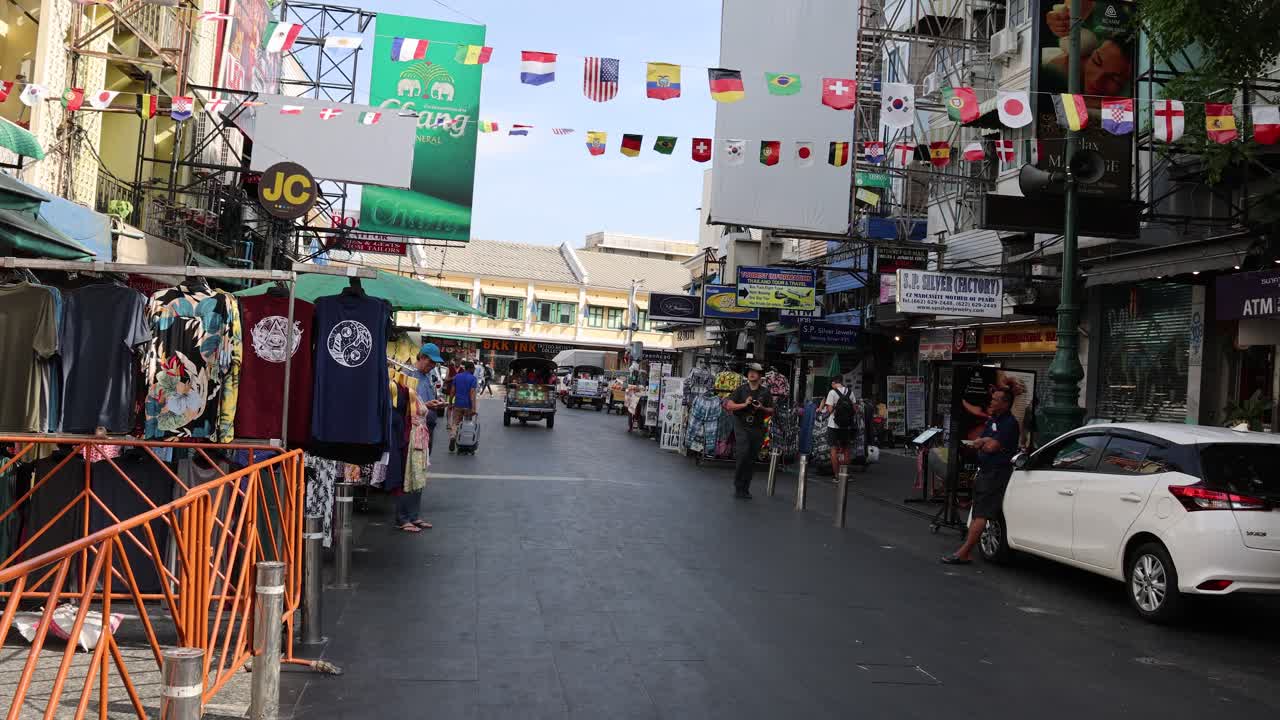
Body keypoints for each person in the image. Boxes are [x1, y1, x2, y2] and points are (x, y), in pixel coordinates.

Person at [942, 387, 1021, 565]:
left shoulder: (1009, 423)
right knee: (978, 511)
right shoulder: (993, 420)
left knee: (982, 513)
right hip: (984, 470)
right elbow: (982, 442)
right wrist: (985, 442)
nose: (991, 402)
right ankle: (967, 551)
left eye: (996, 399)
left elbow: (991, 446)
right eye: (992, 399)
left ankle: (964, 551)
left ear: (1005, 403)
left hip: (995, 473)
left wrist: (985, 443)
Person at [723, 363, 774, 499]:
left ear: (760, 375)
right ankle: (738, 486)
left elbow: (772, 410)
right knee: (743, 453)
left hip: (757, 427)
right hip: (742, 425)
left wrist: (762, 408)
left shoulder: (765, 392)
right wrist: (744, 404)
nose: (752, 374)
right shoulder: (741, 390)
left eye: (755, 372)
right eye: (750, 371)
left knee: (751, 458)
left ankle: (745, 487)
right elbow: (728, 405)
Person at [410, 343, 450, 457]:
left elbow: (429, 395)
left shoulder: (428, 375)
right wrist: (425, 405)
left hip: (428, 426)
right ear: (422, 357)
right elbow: (406, 403)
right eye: (431, 361)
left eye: (435, 363)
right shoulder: (408, 373)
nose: (433, 365)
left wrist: (438, 401)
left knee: (424, 460)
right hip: (416, 428)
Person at [820, 379, 856, 478]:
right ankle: (844, 474)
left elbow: (830, 410)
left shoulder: (832, 392)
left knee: (833, 449)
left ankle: (836, 475)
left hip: (833, 425)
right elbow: (854, 409)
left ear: (833, 383)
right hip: (847, 425)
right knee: (846, 449)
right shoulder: (850, 392)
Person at [449, 361, 479, 452]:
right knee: (466, 424)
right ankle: (463, 444)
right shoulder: (473, 378)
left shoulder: (457, 377)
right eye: (473, 369)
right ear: (471, 369)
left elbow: (452, 391)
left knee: (455, 423)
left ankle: (453, 436)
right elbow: (472, 394)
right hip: (468, 406)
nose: (474, 371)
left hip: (458, 404)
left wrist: (450, 402)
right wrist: (474, 408)